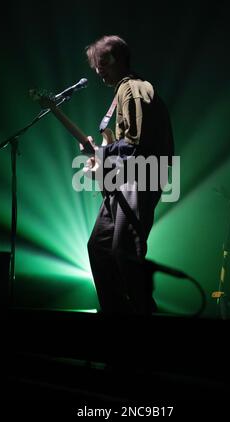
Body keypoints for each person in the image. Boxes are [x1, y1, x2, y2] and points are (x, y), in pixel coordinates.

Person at [84, 35, 174, 315]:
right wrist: (103, 154)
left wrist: (104, 154)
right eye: (96, 65)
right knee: (99, 247)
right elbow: (125, 144)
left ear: (118, 58)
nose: (98, 70)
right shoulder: (122, 91)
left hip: (143, 175)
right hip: (124, 179)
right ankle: (116, 314)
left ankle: (142, 317)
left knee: (126, 251)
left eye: (102, 62)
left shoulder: (133, 88)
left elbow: (137, 142)